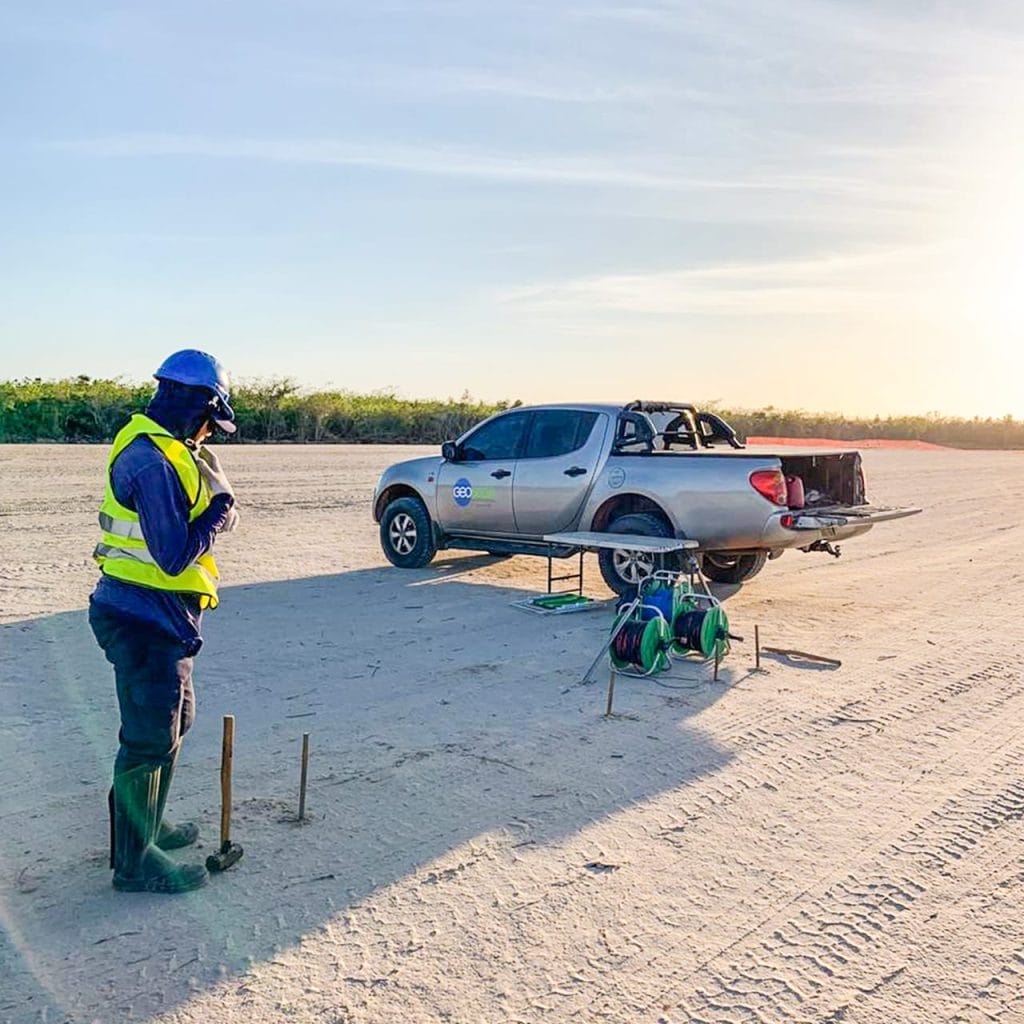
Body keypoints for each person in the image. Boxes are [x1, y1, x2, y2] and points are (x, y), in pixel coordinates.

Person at [88, 349, 239, 893]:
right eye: (209, 420)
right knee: (151, 736)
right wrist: (218, 512)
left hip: (162, 616)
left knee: (175, 723)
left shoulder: (171, 448)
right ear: (190, 402)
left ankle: (147, 823)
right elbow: (174, 554)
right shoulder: (151, 460)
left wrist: (211, 497)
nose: (209, 433)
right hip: (140, 616)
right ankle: (134, 862)